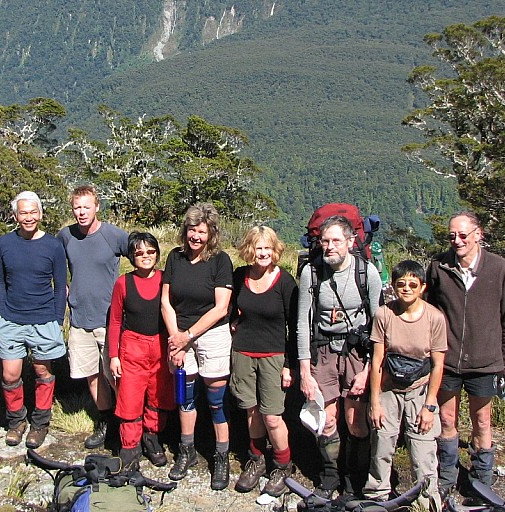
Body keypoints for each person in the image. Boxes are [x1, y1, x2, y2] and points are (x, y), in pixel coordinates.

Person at [426, 211, 505, 495]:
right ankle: (447, 477)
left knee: (482, 421)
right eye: (452, 235)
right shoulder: (439, 267)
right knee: (446, 419)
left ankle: (481, 481)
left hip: (485, 361)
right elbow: (429, 311)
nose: (457, 241)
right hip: (448, 360)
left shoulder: (499, 269)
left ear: (479, 234)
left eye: (463, 235)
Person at [297, 214, 383, 497]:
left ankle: (353, 479)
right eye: (325, 241)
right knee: (326, 419)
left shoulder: (365, 272)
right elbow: (302, 322)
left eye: (336, 241)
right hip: (323, 352)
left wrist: (369, 370)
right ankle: (330, 476)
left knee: (355, 421)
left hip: (356, 353)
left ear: (350, 242)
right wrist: (305, 372)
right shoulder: (311, 272)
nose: (330, 246)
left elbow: (377, 325)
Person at [161, 203, 234, 490]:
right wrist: (175, 340)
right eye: (192, 230)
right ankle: (187, 450)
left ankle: (221, 455)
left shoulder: (220, 261)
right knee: (185, 397)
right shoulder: (175, 258)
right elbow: (166, 301)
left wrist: (187, 335)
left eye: (201, 231)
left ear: (211, 233)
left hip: (211, 336)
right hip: (179, 336)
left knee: (216, 401)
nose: (195, 236)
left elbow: (221, 308)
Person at [365, 260, 446, 509]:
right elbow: (377, 359)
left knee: (423, 451)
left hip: (420, 390)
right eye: (401, 284)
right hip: (389, 388)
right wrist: (375, 402)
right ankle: (377, 496)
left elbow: (437, 364)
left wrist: (429, 406)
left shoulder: (435, 318)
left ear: (422, 287)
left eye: (413, 284)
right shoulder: (384, 314)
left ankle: (426, 501)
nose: (407, 289)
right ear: (394, 286)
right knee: (381, 444)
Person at [229, 225, 298, 497]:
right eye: (258, 248)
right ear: (249, 250)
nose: (263, 253)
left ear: (275, 250)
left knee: (272, 416)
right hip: (244, 352)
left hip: (273, 355)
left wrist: (289, 364)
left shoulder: (285, 282)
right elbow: (227, 306)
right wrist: (233, 321)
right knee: (251, 411)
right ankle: (256, 459)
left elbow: (294, 326)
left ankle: (283, 464)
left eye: (268, 248)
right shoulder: (239, 277)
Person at [0, 191, 68, 449]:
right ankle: (16, 421)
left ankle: (40, 422)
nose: (28, 217)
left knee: (42, 370)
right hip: (12, 319)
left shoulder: (53, 245)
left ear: (41, 214)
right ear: (15, 216)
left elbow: (61, 285)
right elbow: (1, 281)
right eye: (23, 212)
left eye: (33, 212)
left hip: (44, 318)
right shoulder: (4, 244)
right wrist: (3, 311)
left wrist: (57, 319)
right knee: (10, 373)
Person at [58, 184, 129, 449]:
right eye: (77, 207)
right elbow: (53, 262)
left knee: (117, 376)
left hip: (110, 319)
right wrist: (61, 287)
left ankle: (126, 424)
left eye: (87, 206)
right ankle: (105, 422)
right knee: (91, 375)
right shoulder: (66, 236)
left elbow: (141, 254)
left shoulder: (113, 235)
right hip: (80, 319)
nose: (81, 212)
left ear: (97, 206)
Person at [107, 231, 174, 471]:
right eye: (139, 253)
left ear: (157, 254)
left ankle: (152, 438)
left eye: (150, 252)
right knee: (130, 398)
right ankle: (130, 447)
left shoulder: (166, 280)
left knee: (159, 396)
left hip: (160, 345)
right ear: (131, 256)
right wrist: (113, 356)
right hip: (132, 347)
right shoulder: (123, 283)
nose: (145, 256)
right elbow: (115, 321)